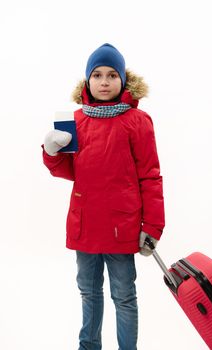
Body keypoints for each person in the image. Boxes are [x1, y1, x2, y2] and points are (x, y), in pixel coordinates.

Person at [42, 43, 165, 350]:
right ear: (87, 81)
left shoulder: (137, 122)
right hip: (85, 225)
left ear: (124, 80)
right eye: (97, 75)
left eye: (112, 74)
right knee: (88, 291)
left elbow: (150, 176)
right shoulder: (75, 120)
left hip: (121, 227)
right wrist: (52, 151)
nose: (105, 81)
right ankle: (89, 346)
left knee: (123, 295)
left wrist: (152, 226)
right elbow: (70, 171)